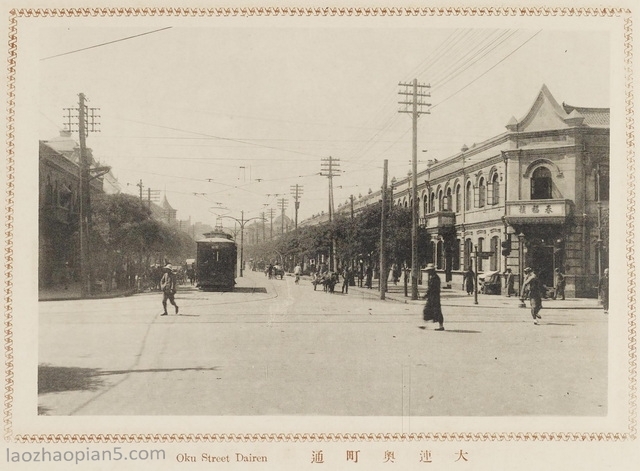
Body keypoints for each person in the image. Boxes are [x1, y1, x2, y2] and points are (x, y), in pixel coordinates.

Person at [422, 263, 444, 331]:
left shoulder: (435, 278)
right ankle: (425, 324)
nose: (428, 272)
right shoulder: (433, 277)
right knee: (427, 310)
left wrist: (426, 295)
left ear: (432, 270)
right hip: (432, 297)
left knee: (437, 311)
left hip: (434, 297)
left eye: (429, 271)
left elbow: (432, 288)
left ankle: (441, 326)